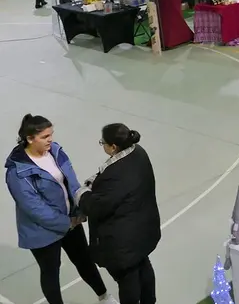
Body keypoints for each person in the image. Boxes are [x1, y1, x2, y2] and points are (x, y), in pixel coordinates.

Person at [6, 114, 117, 304]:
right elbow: (34, 208)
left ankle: (104, 296)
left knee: (84, 261)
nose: (51, 139)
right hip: (43, 231)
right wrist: (67, 223)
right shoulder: (18, 172)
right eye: (45, 137)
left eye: (51, 134)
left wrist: (81, 206)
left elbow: (71, 181)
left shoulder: (55, 151)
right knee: (51, 272)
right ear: (30, 139)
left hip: (70, 221)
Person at [76, 124, 160, 304]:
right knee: (143, 266)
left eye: (103, 143)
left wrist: (81, 194)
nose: (103, 146)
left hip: (122, 240)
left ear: (113, 146)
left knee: (127, 279)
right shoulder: (138, 152)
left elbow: (97, 207)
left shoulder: (115, 174)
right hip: (142, 229)